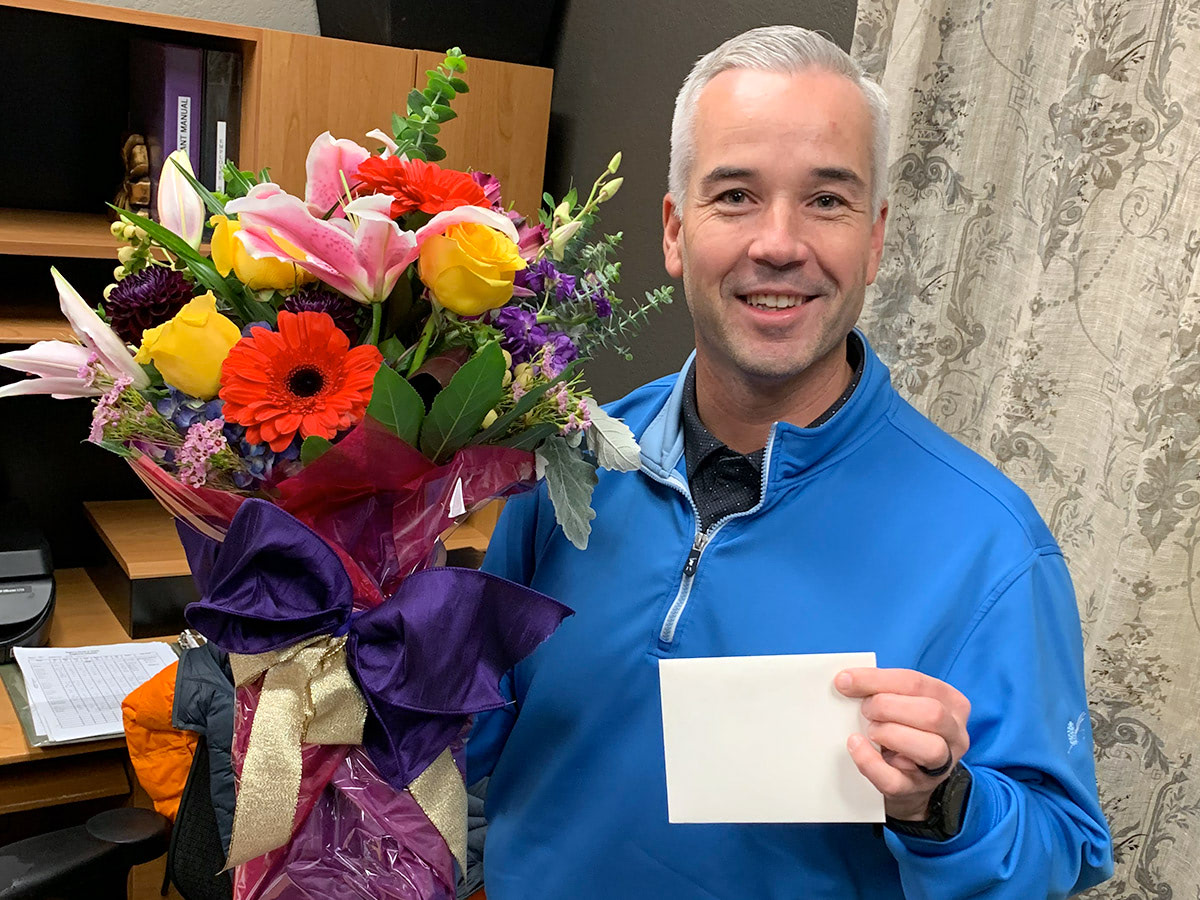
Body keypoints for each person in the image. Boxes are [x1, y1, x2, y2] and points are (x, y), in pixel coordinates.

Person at [467, 25, 1114, 899]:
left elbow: (1063, 850)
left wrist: (940, 804)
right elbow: (469, 745)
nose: (779, 242)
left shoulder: (991, 545)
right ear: (674, 229)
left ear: (876, 239)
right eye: (735, 195)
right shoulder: (564, 465)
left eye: (827, 201)